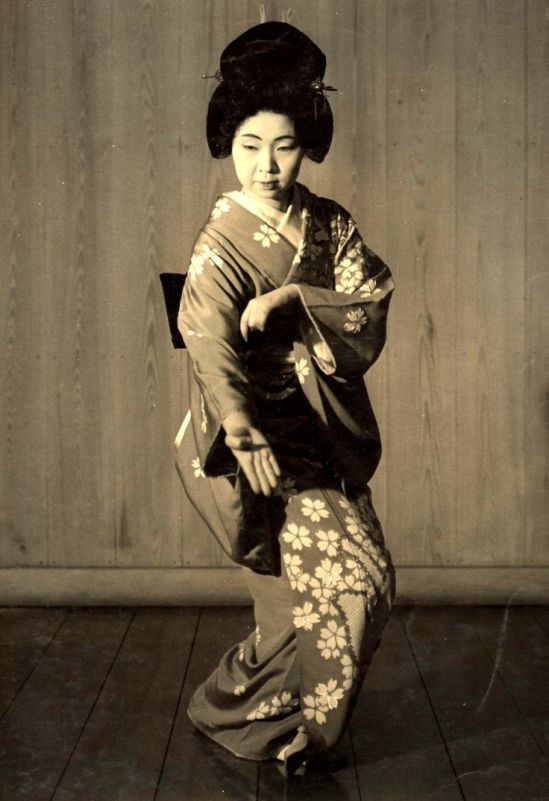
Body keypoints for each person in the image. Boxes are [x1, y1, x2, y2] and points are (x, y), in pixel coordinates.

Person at [174, 21, 395, 775]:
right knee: (349, 583)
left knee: (312, 601)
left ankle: (238, 709)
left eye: (284, 146)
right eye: (247, 146)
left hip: (325, 431)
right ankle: (311, 731)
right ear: (226, 144)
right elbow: (206, 335)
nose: (266, 167)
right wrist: (240, 426)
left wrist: (298, 295)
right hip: (260, 443)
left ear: (307, 145)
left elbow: (367, 300)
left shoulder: (329, 222)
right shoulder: (221, 242)